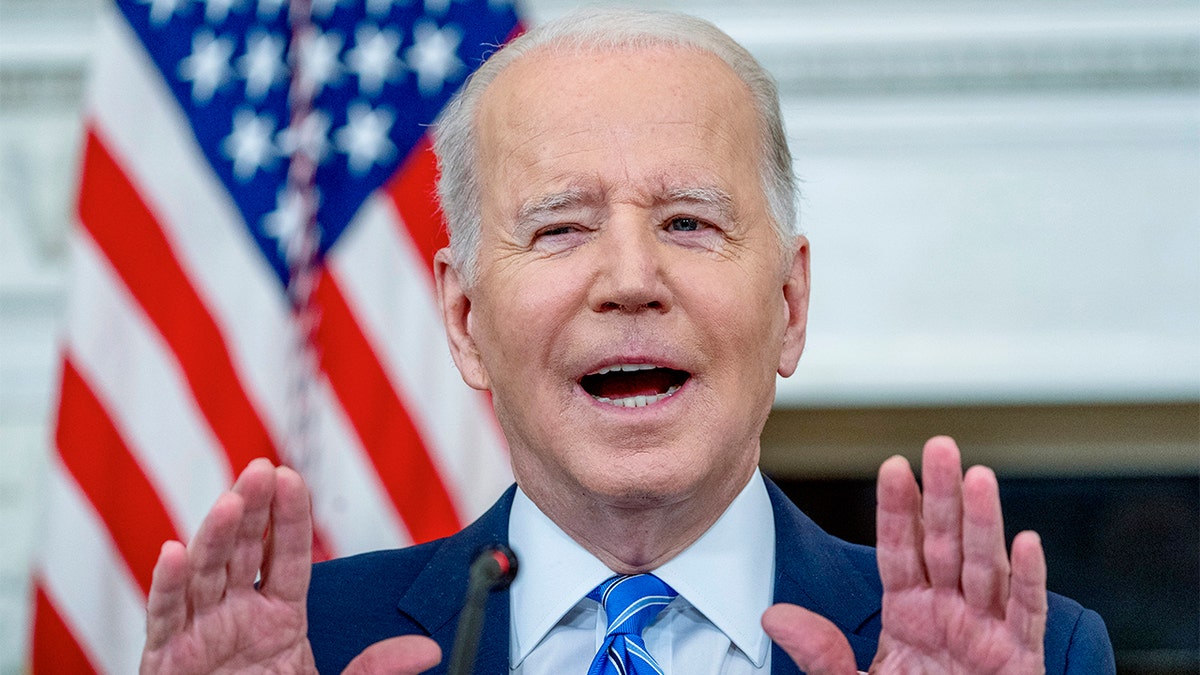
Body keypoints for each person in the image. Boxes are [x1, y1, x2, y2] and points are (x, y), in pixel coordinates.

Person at [139, 8, 1115, 674]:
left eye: (689, 222)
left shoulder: (1040, 652)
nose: (632, 282)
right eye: (560, 228)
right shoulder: (317, 644)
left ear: (790, 301)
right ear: (466, 321)